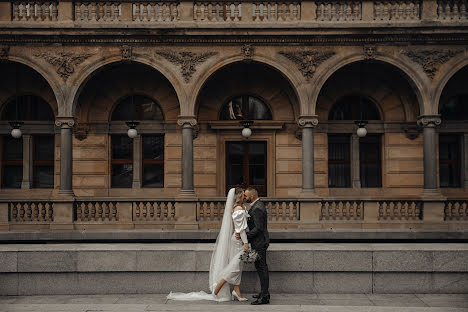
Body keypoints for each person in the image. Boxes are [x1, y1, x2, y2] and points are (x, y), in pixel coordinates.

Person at [167, 188, 249, 302]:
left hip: (236, 239)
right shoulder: (239, 209)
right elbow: (241, 229)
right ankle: (217, 290)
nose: (246, 197)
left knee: (237, 266)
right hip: (238, 241)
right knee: (235, 266)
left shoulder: (238, 208)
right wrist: (246, 243)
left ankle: (236, 291)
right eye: (244, 196)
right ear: (239, 197)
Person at [237, 187, 270, 305]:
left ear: (252, 196)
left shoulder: (257, 208)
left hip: (259, 241)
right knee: (261, 268)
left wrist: (245, 237)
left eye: (246, 196)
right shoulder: (257, 205)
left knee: (262, 268)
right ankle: (264, 292)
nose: (245, 198)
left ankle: (265, 296)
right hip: (259, 241)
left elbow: (258, 228)